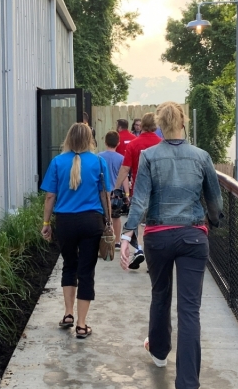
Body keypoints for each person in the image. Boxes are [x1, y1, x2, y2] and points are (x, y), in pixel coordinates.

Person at [120, 102, 223, 389]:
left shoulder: (150, 156)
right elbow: (214, 201)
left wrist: (127, 234)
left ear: (161, 125)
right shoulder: (202, 157)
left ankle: (159, 353)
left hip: (158, 238)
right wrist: (214, 223)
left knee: (160, 295)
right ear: (183, 122)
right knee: (190, 310)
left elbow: (139, 201)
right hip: (193, 236)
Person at [40, 122, 110, 340]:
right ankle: (81, 325)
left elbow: (50, 196)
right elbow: (104, 195)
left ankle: (68, 314)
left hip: (65, 223)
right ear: (90, 138)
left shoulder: (57, 162)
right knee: (86, 271)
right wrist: (108, 221)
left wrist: (46, 223)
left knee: (69, 265)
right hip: (91, 222)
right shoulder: (99, 162)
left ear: (68, 138)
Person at [113, 112, 161, 269]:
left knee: (134, 223)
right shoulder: (162, 144)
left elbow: (125, 169)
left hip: (138, 192)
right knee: (154, 226)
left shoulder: (133, 143)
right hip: (158, 192)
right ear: (155, 125)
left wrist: (116, 188)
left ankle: (139, 250)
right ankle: (152, 260)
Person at [99, 131, 127, 245]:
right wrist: (127, 194)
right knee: (116, 217)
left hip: (102, 191)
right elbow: (124, 177)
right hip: (116, 193)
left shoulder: (99, 157)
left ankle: (103, 240)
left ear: (105, 142)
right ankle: (116, 241)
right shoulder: (121, 158)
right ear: (118, 143)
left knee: (102, 217)